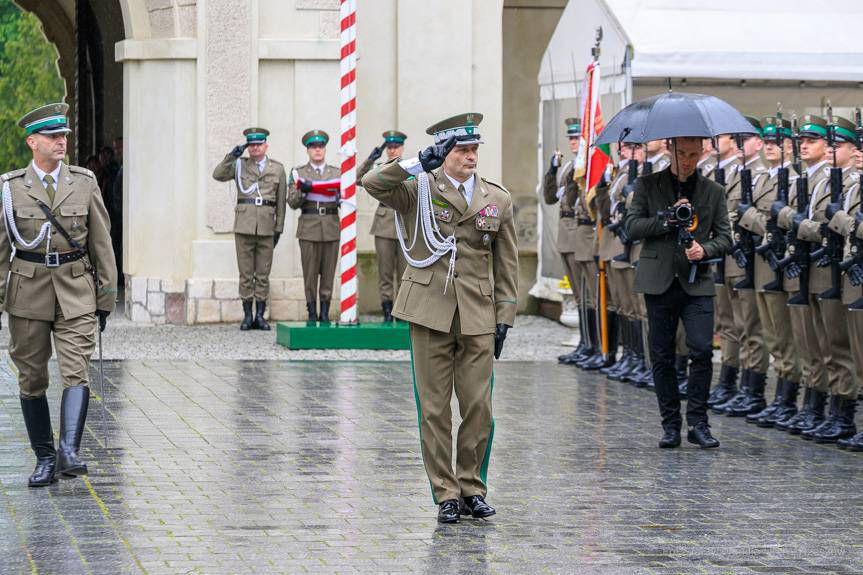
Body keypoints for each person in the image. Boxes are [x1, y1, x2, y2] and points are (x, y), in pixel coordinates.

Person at [362, 113, 518, 523]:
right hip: (429, 310)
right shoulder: (418, 189)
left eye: (474, 149)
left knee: (479, 407)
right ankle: (446, 492)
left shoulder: (496, 198)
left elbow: (507, 263)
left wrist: (505, 313)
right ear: (444, 152)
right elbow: (373, 183)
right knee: (434, 410)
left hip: (478, 312)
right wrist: (416, 162)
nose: (471, 156)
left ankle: (472, 487)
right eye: (462, 150)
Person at [0, 102, 117, 486]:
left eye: (63, 135)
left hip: (75, 289)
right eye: (52, 136)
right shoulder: (10, 188)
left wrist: (105, 296)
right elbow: (1, 252)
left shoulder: (84, 182)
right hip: (28, 293)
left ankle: (69, 450)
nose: (61, 141)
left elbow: (101, 243)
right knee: (31, 378)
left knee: (76, 370)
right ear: (32, 142)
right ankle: (45, 458)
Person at [624, 136, 732, 449]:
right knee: (661, 354)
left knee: (701, 349)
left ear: (702, 153)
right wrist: (666, 220)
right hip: (658, 280)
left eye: (693, 155)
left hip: (696, 282)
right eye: (681, 153)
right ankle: (670, 425)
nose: (687, 161)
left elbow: (726, 237)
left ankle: (698, 423)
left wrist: (704, 249)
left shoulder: (713, 191)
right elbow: (632, 227)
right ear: (670, 149)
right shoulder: (648, 185)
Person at [791, 114, 858, 442]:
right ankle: (826, 410)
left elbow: (835, 229)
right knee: (820, 344)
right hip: (819, 271)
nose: (830, 149)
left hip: (839, 272)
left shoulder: (849, 183)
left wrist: (798, 224)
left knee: (841, 347)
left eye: (837, 145)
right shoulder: (822, 181)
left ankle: (842, 414)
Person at [736, 116, 802, 428]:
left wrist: (749, 216)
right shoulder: (764, 178)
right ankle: (774, 398)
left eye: (779, 142)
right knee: (771, 335)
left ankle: (787, 400)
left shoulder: (794, 179)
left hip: (780, 264)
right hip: (761, 264)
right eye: (770, 142)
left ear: (790, 146)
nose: (772, 147)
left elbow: (780, 224)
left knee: (784, 337)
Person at [773, 116, 833, 435]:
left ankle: (827, 410)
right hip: (802, 267)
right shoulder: (805, 179)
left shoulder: (832, 180)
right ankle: (811, 405)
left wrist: (791, 219)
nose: (805, 145)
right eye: (802, 141)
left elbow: (824, 227)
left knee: (829, 345)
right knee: (806, 342)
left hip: (824, 270)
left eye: (813, 140)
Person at [719, 119, 770, 417]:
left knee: (752, 326)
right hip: (728, 258)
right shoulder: (731, 174)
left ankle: (753, 390)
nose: (739, 144)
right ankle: (731, 384)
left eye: (745, 138)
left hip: (750, 260)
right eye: (735, 138)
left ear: (758, 143)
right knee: (731, 323)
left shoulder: (763, 177)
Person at [213, 127, 287, 331]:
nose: (255, 148)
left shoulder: (277, 169)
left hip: (266, 227)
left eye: (258, 144)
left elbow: (281, 202)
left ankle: (260, 316)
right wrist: (232, 155)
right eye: (251, 145)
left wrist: (279, 228)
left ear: (266, 145)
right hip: (244, 226)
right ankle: (247, 316)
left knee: (263, 274)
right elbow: (217, 175)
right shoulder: (239, 165)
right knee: (245, 274)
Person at [543, 118, 590, 364]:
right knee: (578, 293)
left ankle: (591, 345)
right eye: (571, 138)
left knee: (586, 292)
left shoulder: (586, 166)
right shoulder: (570, 166)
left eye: (577, 138)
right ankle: (586, 343)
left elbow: (574, 200)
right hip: (566, 233)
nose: (573, 142)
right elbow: (550, 197)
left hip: (578, 234)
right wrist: (552, 170)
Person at [287, 130, 341, 324]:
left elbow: (346, 196)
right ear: (308, 150)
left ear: (325, 149)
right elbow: (292, 202)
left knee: (328, 272)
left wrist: (340, 197)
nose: (317, 150)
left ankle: (324, 313)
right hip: (309, 226)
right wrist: (303, 191)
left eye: (320, 146)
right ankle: (311, 312)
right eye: (313, 147)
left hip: (331, 225)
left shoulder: (337, 173)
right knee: (309, 273)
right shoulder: (299, 173)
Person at [358, 130, 408, 321]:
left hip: (405, 223)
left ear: (402, 148)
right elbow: (357, 178)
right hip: (384, 222)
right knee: (385, 272)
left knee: (405, 273)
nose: (393, 150)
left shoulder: (409, 168)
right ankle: (387, 310)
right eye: (390, 147)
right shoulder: (379, 168)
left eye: (396, 147)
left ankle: (402, 312)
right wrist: (370, 160)